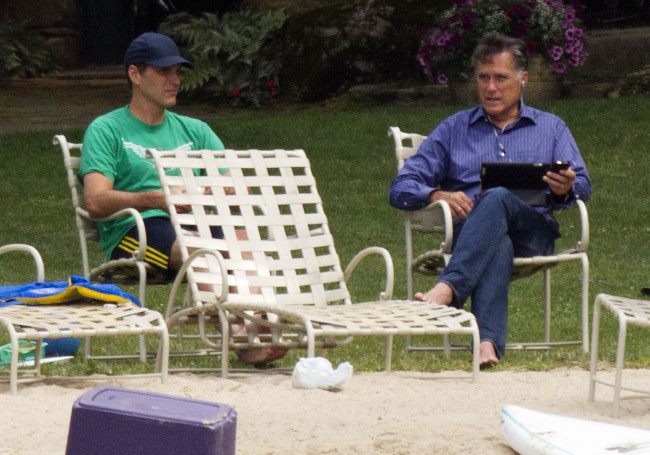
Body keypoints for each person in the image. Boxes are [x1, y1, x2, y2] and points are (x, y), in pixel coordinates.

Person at [79, 31, 286, 365]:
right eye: (164, 72)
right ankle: (243, 338)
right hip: (139, 232)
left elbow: (234, 183)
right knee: (202, 253)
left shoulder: (196, 130)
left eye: (177, 71)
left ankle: (264, 324)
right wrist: (155, 199)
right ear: (135, 74)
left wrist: (226, 189)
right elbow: (96, 202)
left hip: (195, 222)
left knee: (242, 235)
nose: (175, 80)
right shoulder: (106, 130)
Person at [389, 32, 591, 368]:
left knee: (496, 196)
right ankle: (486, 343)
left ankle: (447, 290)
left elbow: (582, 183)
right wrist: (436, 193)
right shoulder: (454, 129)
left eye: (500, 77)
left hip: (533, 233)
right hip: (475, 235)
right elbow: (401, 187)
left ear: (522, 80)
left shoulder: (551, 127)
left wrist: (564, 188)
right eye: (484, 78)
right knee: (497, 243)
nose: (491, 88)